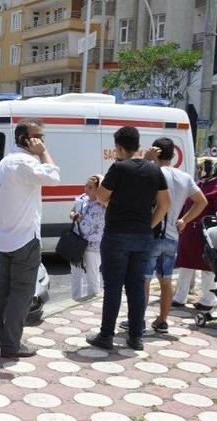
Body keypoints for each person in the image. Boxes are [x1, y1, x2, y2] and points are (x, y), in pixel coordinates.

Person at [86, 126, 169, 351]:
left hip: (117, 235)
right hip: (143, 236)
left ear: (119, 147)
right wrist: (149, 225)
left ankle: (106, 335)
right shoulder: (155, 171)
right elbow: (165, 204)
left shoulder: (119, 168)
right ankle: (136, 337)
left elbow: (101, 196)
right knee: (136, 287)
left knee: (113, 287)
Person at [0, 118, 60, 358]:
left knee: (2, 291)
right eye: (37, 137)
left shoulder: (4, 163)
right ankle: (11, 345)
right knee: (22, 294)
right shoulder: (25, 162)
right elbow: (53, 177)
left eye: (42, 137)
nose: (41, 141)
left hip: (6, 238)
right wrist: (43, 152)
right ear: (22, 139)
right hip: (25, 238)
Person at [120, 138, 207, 334]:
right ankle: (162, 321)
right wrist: (184, 220)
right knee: (166, 281)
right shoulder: (185, 177)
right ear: (173, 155)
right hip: (172, 236)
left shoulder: (152, 172)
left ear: (155, 152)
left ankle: (137, 321)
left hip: (150, 234)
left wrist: (146, 160)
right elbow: (202, 201)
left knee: (143, 280)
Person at [173, 157, 217, 310]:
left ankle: (207, 300)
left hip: (205, 233)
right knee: (185, 264)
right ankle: (180, 297)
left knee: (207, 267)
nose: (198, 171)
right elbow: (186, 205)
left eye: (201, 167)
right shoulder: (198, 184)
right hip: (189, 231)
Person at [69, 174, 106, 300]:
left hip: (93, 245)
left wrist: (101, 187)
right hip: (77, 242)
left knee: (92, 275)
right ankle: (75, 300)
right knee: (75, 273)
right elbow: (72, 211)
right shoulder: (82, 198)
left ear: (98, 189)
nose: (86, 189)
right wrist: (73, 215)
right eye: (86, 185)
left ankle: (92, 300)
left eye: (90, 187)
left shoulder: (103, 202)